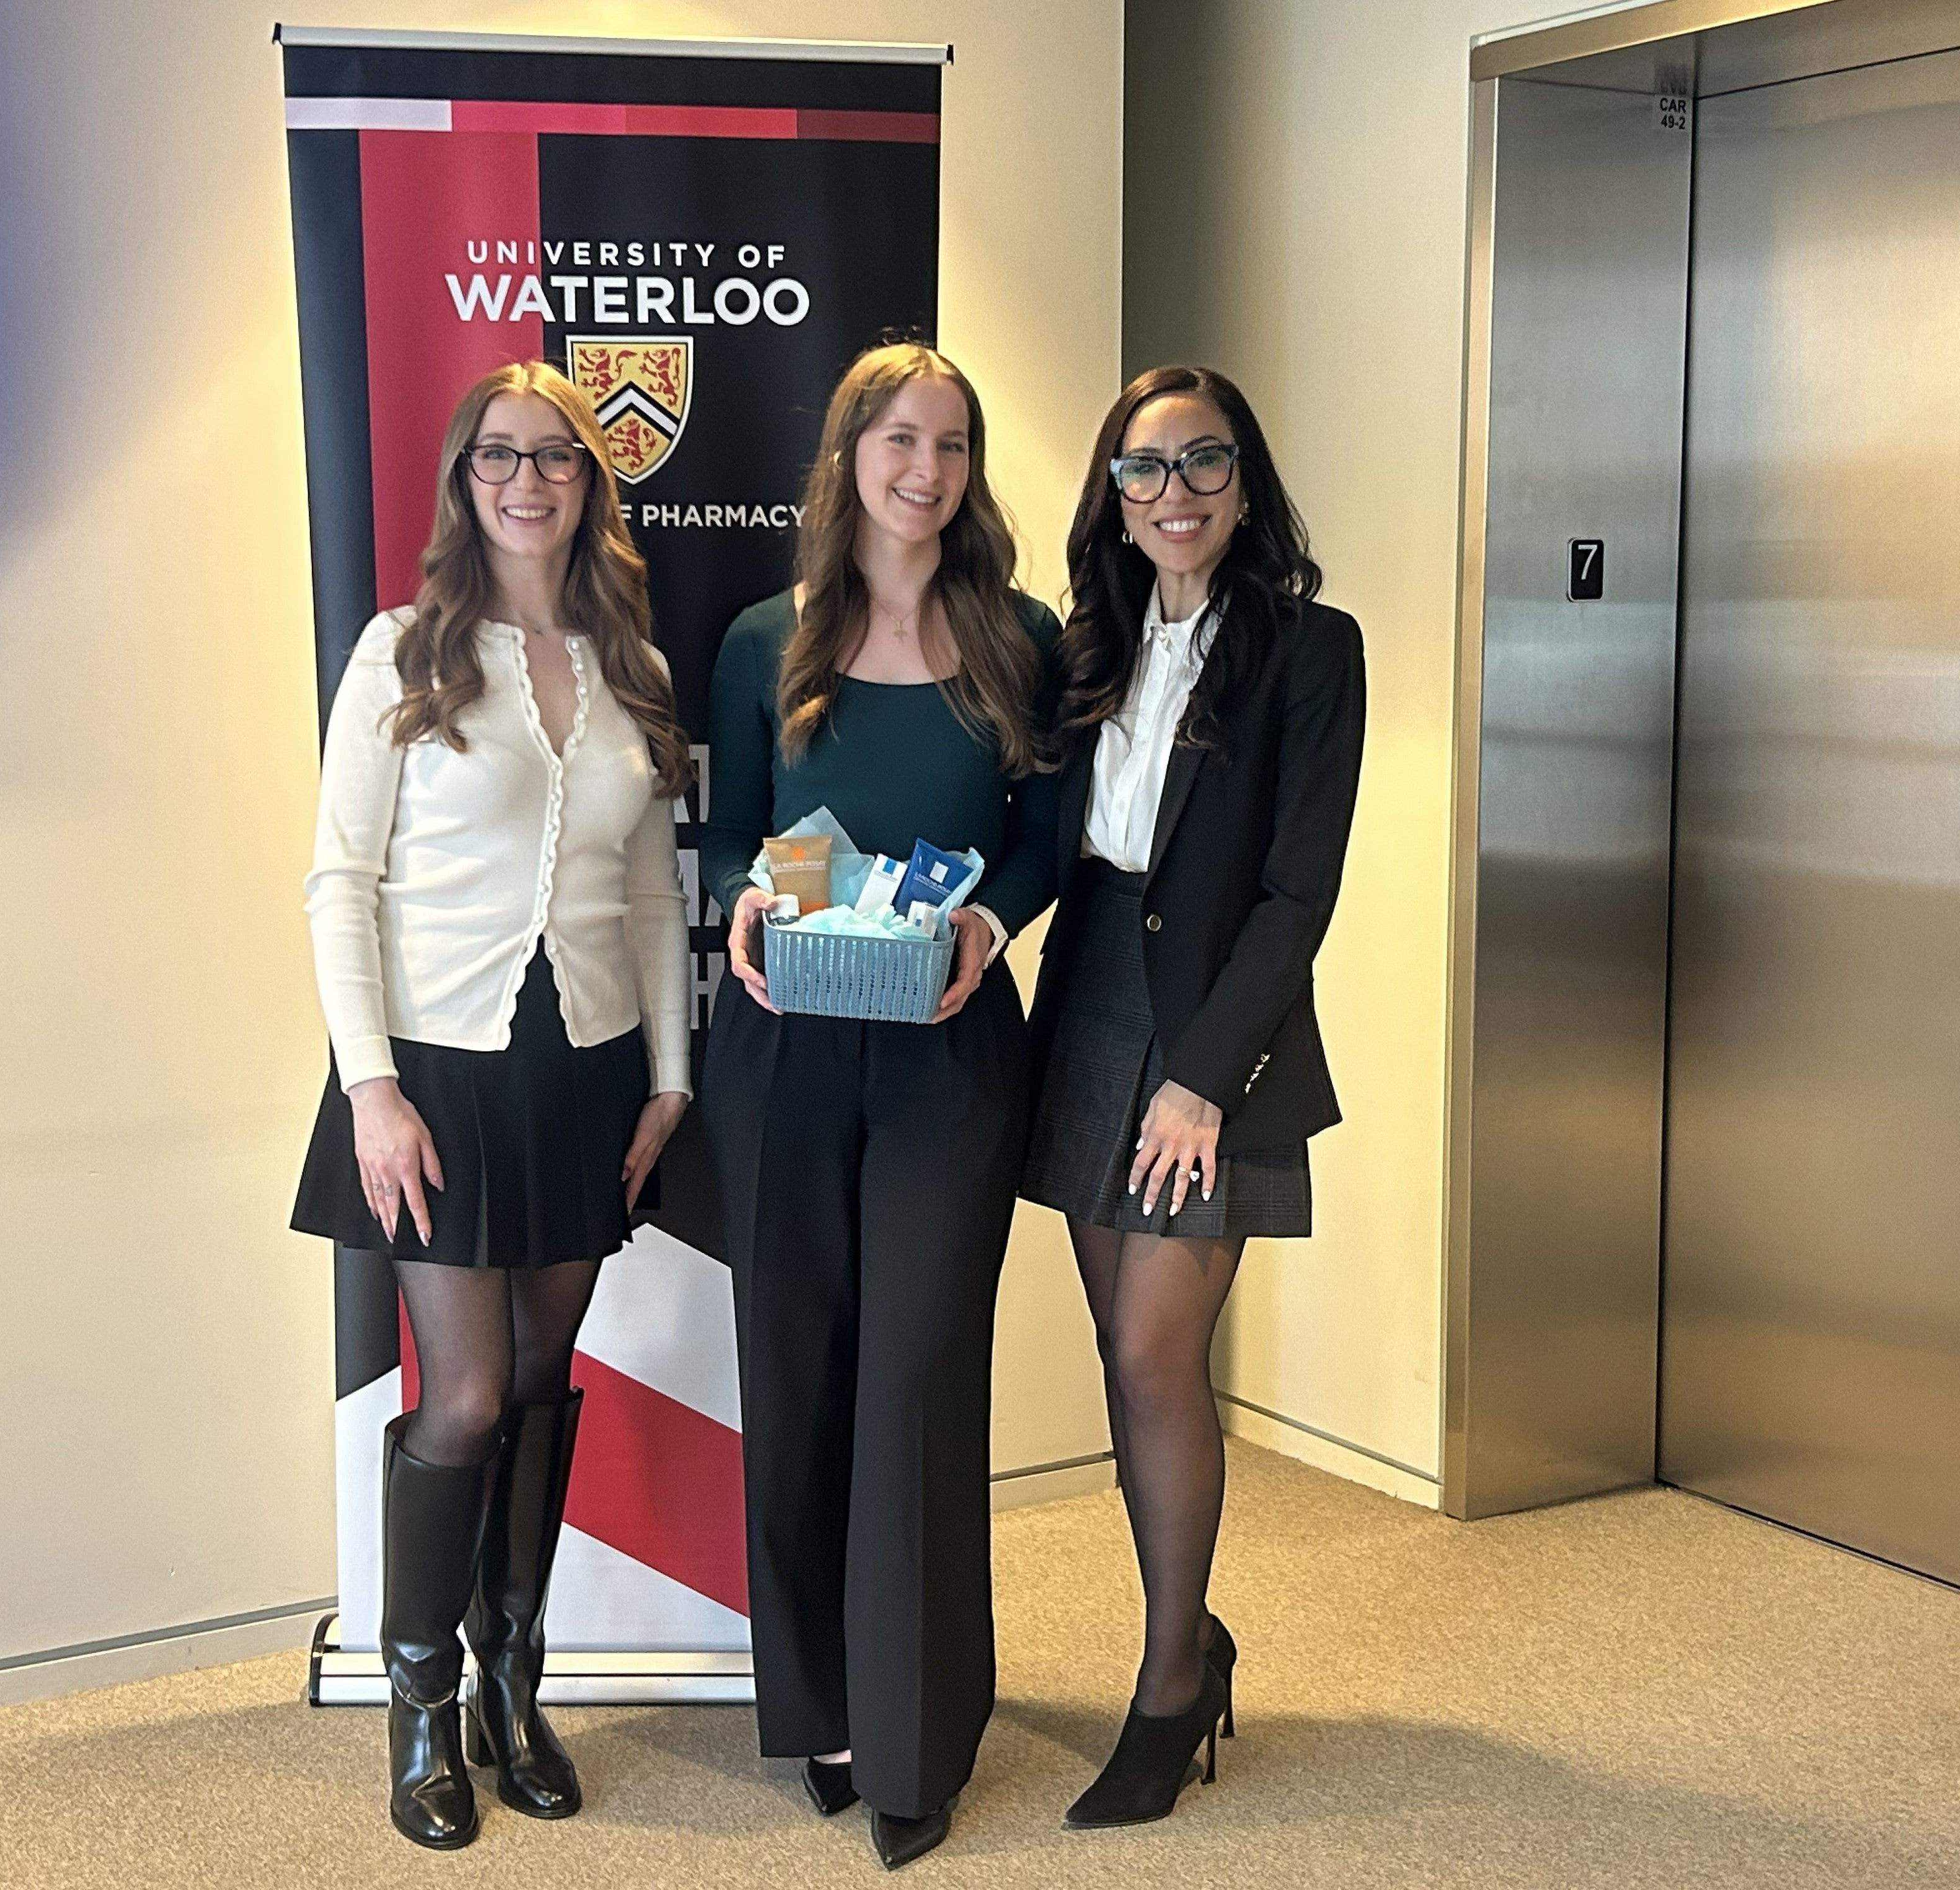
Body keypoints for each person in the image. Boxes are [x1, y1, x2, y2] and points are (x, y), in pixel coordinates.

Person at [290, 361, 693, 1851]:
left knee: (535, 1379)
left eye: (558, 457)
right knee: (461, 1393)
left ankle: (513, 1687)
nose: (529, 480)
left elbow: (649, 893)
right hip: (435, 1072)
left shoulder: (630, 665)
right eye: (500, 456)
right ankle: (421, 1706)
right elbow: (340, 883)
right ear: (465, 480)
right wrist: (370, 1089)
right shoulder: (403, 652)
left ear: (591, 484)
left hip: (585, 1065)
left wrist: (670, 1079)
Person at [701, 342, 1059, 1871]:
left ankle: (919, 1737)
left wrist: (990, 924)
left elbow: (1045, 840)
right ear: (850, 452)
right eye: (900, 438)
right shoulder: (762, 638)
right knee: (800, 1370)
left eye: (953, 443)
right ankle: (825, 1711)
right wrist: (742, 901)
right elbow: (729, 834)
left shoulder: (1018, 635)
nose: (927, 468)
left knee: (915, 1377)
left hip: (950, 1050)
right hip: (786, 1041)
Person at [1022, 364, 1364, 1829]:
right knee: (1123, 1355)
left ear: (1245, 478)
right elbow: (1048, 839)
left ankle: (1170, 1684)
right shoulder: (1083, 650)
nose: (1177, 492)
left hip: (1217, 1025)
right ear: (1113, 496)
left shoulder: (1309, 648)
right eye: (1146, 469)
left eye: (1204, 461)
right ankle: (1191, 1633)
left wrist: (1203, 1081)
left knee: (1156, 1355)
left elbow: (1299, 893)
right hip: (1088, 1004)